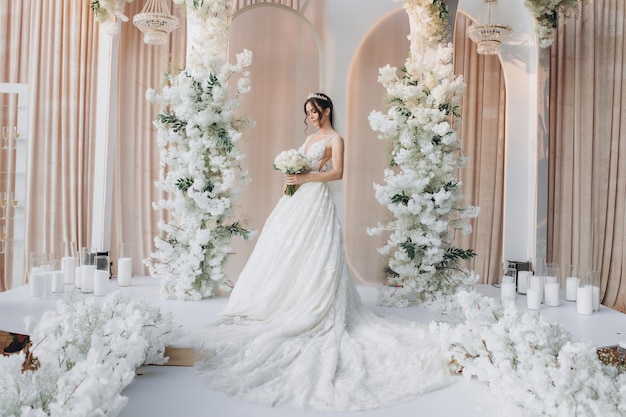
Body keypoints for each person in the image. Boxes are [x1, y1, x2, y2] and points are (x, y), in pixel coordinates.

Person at [193, 93, 454, 411]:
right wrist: (292, 180)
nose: (311, 116)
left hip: (316, 200)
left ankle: (312, 302)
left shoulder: (335, 138)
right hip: (296, 200)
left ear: (327, 110)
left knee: (317, 253)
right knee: (286, 251)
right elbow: (303, 167)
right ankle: (283, 299)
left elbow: (338, 173)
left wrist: (305, 177)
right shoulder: (310, 138)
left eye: (315, 111)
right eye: (307, 112)